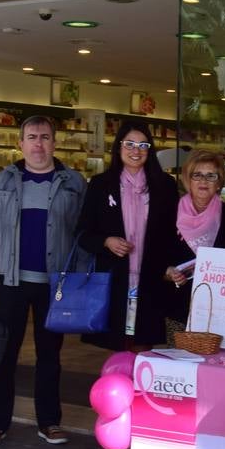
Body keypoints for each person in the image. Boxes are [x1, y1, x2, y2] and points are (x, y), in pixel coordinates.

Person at [0, 116, 87, 447]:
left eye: (45, 137)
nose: (38, 144)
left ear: (55, 142)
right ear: (20, 143)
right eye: (32, 137)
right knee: (3, 354)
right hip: (9, 283)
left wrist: (77, 283)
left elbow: (83, 237)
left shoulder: (74, 183)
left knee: (50, 356)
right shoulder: (5, 182)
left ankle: (49, 422)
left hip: (55, 286)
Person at [77, 121, 180, 351]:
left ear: (150, 150)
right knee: (118, 347)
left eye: (143, 144)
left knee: (144, 344)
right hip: (114, 280)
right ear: (118, 147)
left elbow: (173, 233)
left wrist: (171, 265)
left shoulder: (165, 185)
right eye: (130, 144)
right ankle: (119, 385)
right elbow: (82, 234)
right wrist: (106, 241)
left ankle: (140, 387)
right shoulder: (101, 185)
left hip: (151, 280)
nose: (136, 150)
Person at [164, 150, 225, 331]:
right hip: (179, 306)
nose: (203, 181)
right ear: (188, 180)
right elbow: (156, 258)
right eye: (197, 175)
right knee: (181, 358)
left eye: (211, 176)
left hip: (222, 310)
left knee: (219, 359)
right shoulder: (168, 215)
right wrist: (168, 272)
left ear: (219, 183)